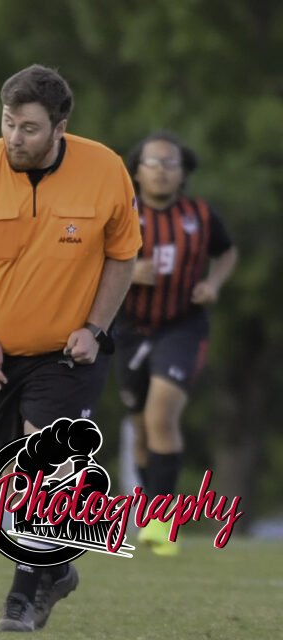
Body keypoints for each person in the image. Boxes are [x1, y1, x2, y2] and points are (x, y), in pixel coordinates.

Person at [0, 64, 142, 632]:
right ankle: (59, 569)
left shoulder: (106, 170)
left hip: (71, 354)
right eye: (7, 123)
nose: (14, 138)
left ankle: (21, 598)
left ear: (60, 127)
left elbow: (123, 254)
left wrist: (94, 327)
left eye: (28, 128)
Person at [114, 131, 238, 556]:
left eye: (171, 163)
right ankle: (152, 511)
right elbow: (90, 261)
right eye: (154, 163)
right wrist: (128, 273)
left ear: (183, 172)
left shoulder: (200, 216)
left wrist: (213, 284)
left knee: (161, 414)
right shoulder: (120, 214)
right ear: (136, 170)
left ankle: (162, 522)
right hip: (130, 329)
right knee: (140, 429)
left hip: (181, 327)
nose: (163, 171)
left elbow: (227, 252)